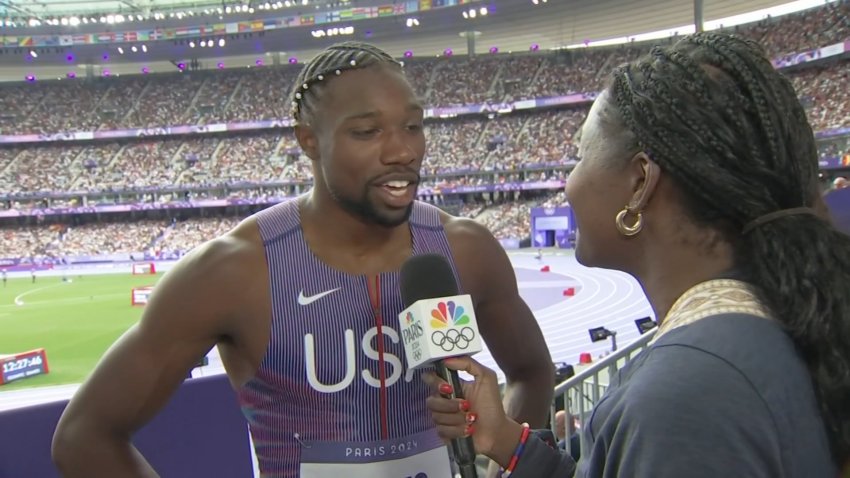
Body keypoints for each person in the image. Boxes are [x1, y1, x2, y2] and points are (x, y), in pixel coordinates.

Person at [51, 41, 555, 477]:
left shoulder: (464, 249)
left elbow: (532, 372)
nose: (402, 150)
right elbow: (83, 436)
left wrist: (508, 468)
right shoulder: (231, 273)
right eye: (367, 132)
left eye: (413, 126)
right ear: (308, 141)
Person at [423, 32, 849, 477]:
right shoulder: (774, 324)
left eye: (580, 156)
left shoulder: (686, 393)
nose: (568, 184)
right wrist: (506, 440)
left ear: (640, 182)